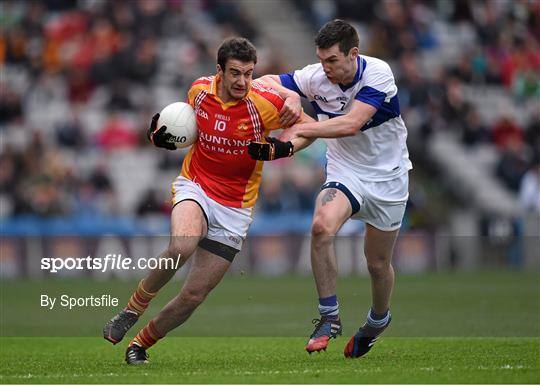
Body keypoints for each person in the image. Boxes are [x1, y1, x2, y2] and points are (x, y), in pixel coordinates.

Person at [103, 37, 310, 365]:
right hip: (196, 187)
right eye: (235, 73)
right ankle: (132, 309)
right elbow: (188, 131)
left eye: (249, 73)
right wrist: (163, 136)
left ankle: (140, 344)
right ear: (219, 71)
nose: (243, 81)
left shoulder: (264, 104)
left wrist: (283, 148)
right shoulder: (198, 91)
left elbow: (308, 128)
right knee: (182, 245)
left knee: (193, 295)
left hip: (235, 207)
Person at [250, 19, 412, 358]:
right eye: (321, 60)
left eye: (332, 61)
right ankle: (329, 317)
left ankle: (378, 321)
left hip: (388, 179)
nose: (325, 69)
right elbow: (262, 82)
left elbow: (351, 124)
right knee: (321, 227)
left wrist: (298, 134)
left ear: (353, 54)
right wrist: (290, 98)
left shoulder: (378, 74)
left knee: (377, 264)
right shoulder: (316, 77)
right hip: (346, 172)